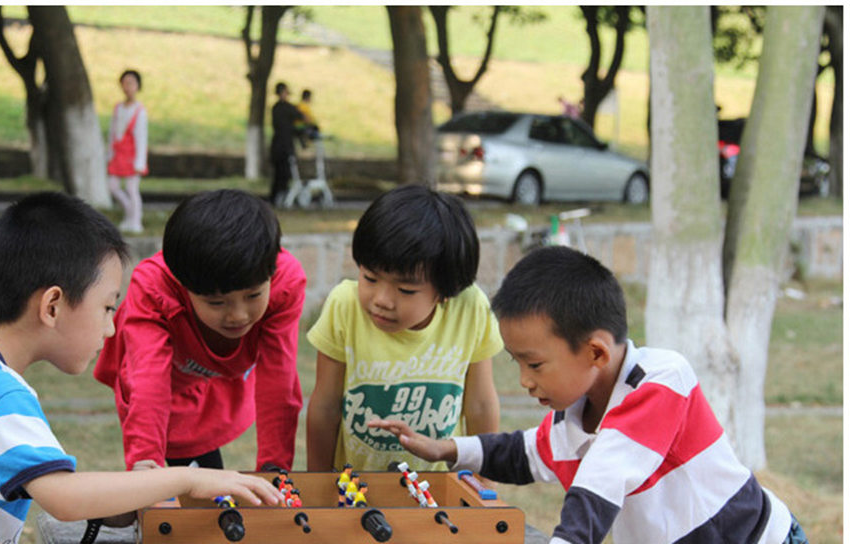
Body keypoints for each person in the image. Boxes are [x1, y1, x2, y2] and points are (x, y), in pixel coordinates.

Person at [0, 192, 283, 544]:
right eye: (108, 307)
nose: (111, 328)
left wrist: (129, 497)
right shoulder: (0, 397)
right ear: (53, 306)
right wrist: (190, 478)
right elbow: (64, 498)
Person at [369, 246, 808, 544]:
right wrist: (444, 448)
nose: (524, 380)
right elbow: (526, 454)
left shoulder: (662, 381)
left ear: (596, 351)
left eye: (535, 364)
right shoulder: (573, 414)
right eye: (517, 363)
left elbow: (602, 479)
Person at [94, 189, 306, 473]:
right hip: (160, 380)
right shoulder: (155, 291)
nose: (238, 315)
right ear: (184, 286)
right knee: (182, 467)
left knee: (206, 479)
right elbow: (148, 385)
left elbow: (278, 381)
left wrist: (275, 469)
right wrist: (145, 472)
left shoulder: (285, 284)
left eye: (253, 296)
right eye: (216, 302)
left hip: (214, 381)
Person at [305, 184, 503, 473]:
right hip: (352, 488)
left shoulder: (470, 308)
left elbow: (481, 405)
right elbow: (325, 407)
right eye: (370, 278)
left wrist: (484, 483)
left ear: (446, 290)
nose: (381, 300)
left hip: (436, 490)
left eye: (406, 289)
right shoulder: (345, 305)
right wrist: (317, 485)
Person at [107, 69, 148, 234]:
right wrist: (109, 153)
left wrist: (140, 161)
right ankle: (130, 213)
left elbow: (141, 137)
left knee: (132, 189)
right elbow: (112, 132)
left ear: (137, 86)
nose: (127, 87)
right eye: (125, 83)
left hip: (131, 156)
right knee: (113, 186)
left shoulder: (140, 111)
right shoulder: (118, 108)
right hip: (118, 153)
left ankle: (136, 220)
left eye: (131, 83)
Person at [269, 81, 304, 205]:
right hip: (282, 146)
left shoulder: (281, 108)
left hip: (282, 145)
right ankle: (278, 197)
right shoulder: (283, 108)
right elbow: (300, 117)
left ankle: (281, 196)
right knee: (281, 173)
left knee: (285, 173)